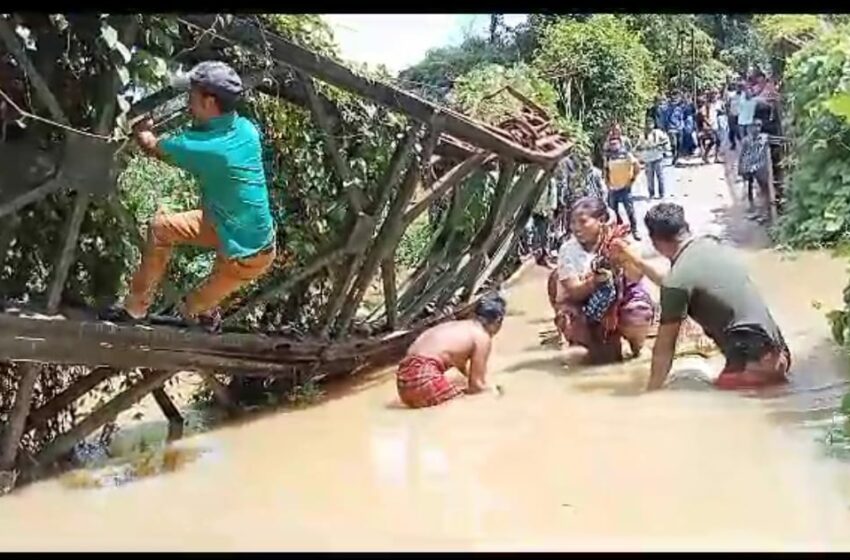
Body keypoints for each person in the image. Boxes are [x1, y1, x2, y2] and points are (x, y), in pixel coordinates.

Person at [101, 61, 276, 333]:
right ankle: (136, 308)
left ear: (208, 101)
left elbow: (151, 144)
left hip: (249, 253)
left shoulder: (208, 150)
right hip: (225, 223)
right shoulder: (245, 129)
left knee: (191, 309)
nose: (187, 102)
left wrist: (140, 121)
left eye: (191, 96)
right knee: (161, 229)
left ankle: (206, 312)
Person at [610, 203, 790, 391]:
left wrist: (651, 395)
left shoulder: (678, 281)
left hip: (753, 366)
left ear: (655, 241)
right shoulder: (711, 244)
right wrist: (635, 260)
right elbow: (677, 284)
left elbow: (664, 349)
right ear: (685, 227)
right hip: (779, 355)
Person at [547, 197, 654, 364]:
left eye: (582, 222)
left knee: (637, 313)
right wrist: (595, 281)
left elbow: (637, 277)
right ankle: (585, 340)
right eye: (572, 223)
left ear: (601, 220)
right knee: (597, 356)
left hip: (621, 303)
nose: (576, 228)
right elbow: (574, 291)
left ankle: (637, 346)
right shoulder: (568, 250)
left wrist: (625, 257)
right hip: (586, 305)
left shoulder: (621, 241)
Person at [396, 293, 506, 408]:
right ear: (498, 320)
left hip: (403, 382)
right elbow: (477, 386)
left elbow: (458, 362)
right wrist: (496, 391)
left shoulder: (455, 326)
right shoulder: (482, 336)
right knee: (470, 404)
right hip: (425, 378)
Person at [604, 137, 642, 240]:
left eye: (615, 144)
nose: (613, 146)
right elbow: (606, 171)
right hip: (613, 189)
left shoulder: (627, 155)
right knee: (613, 212)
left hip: (625, 188)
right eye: (611, 144)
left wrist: (632, 180)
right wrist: (607, 184)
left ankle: (635, 230)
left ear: (620, 144)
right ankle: (618, 231)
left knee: (630, 211)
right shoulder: (608, 157)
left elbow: (637, 167)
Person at [737, 119, 771, 221]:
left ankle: (764, 213)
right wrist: (740, 168)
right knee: (752, 189)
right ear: (750, 128)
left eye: (759, 126)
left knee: (763, 190)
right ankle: (757, 210)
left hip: (761, 168)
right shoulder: (746, 140)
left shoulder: (764, 138)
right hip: (749, 168)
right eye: (755, 126)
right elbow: (742, 155)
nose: (757, 128)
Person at [637, 117, 669, 199]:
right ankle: (651, 193)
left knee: (660, 176)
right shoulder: (642, 135)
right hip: (648, 159)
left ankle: (662, 193)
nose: (649, 126)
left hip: (658, 157)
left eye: (651, 124)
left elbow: (666, 141)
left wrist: (661, 148)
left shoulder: (658, 133)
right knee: (649, 178)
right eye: (647, 124)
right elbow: (638, 146)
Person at [665, 92, 685, 165]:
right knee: (674, 144)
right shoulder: (667, 109)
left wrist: (681, 126)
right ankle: (674, 156)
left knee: (679, 144)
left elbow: (681, 118)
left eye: (675, 100)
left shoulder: (679, 109)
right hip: (671, 129)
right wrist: (666, 128)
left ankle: (677, 158)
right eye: (673, 100)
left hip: (679, 128)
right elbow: (665, 119)